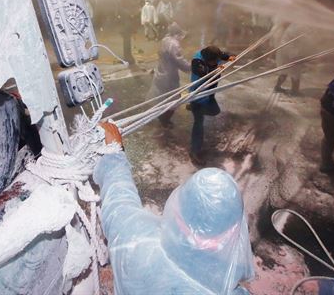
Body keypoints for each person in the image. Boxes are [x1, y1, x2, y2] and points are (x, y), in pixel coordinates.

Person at [95, 122, 255, 294]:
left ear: (176, 210)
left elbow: (118, 200)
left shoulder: (134, 240)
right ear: (234, 233)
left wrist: (114, 153)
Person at [189, 46, 234, 165]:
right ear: (207, 58)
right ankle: (194, 152)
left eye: (217, 60)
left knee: (215, 111)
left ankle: (193, 109)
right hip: (197, 95)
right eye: (214, 61)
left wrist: (231, 58)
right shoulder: (197, 62)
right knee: (198, 124)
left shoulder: (214, 54)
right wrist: (218, 68)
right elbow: (205, 75)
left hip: (209, 93)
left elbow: (227, 56)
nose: (217, 62)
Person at [146, 23, 191, 127]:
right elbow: (180, 61)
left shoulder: (165, 40)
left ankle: (161, 115)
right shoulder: (174, 44)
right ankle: (164, 120)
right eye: (180, 35)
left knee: (161, 96)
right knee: (173, 99)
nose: (181, 38)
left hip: (161, 71)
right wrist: (192, 66)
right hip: (169, 76)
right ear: (176, 35)